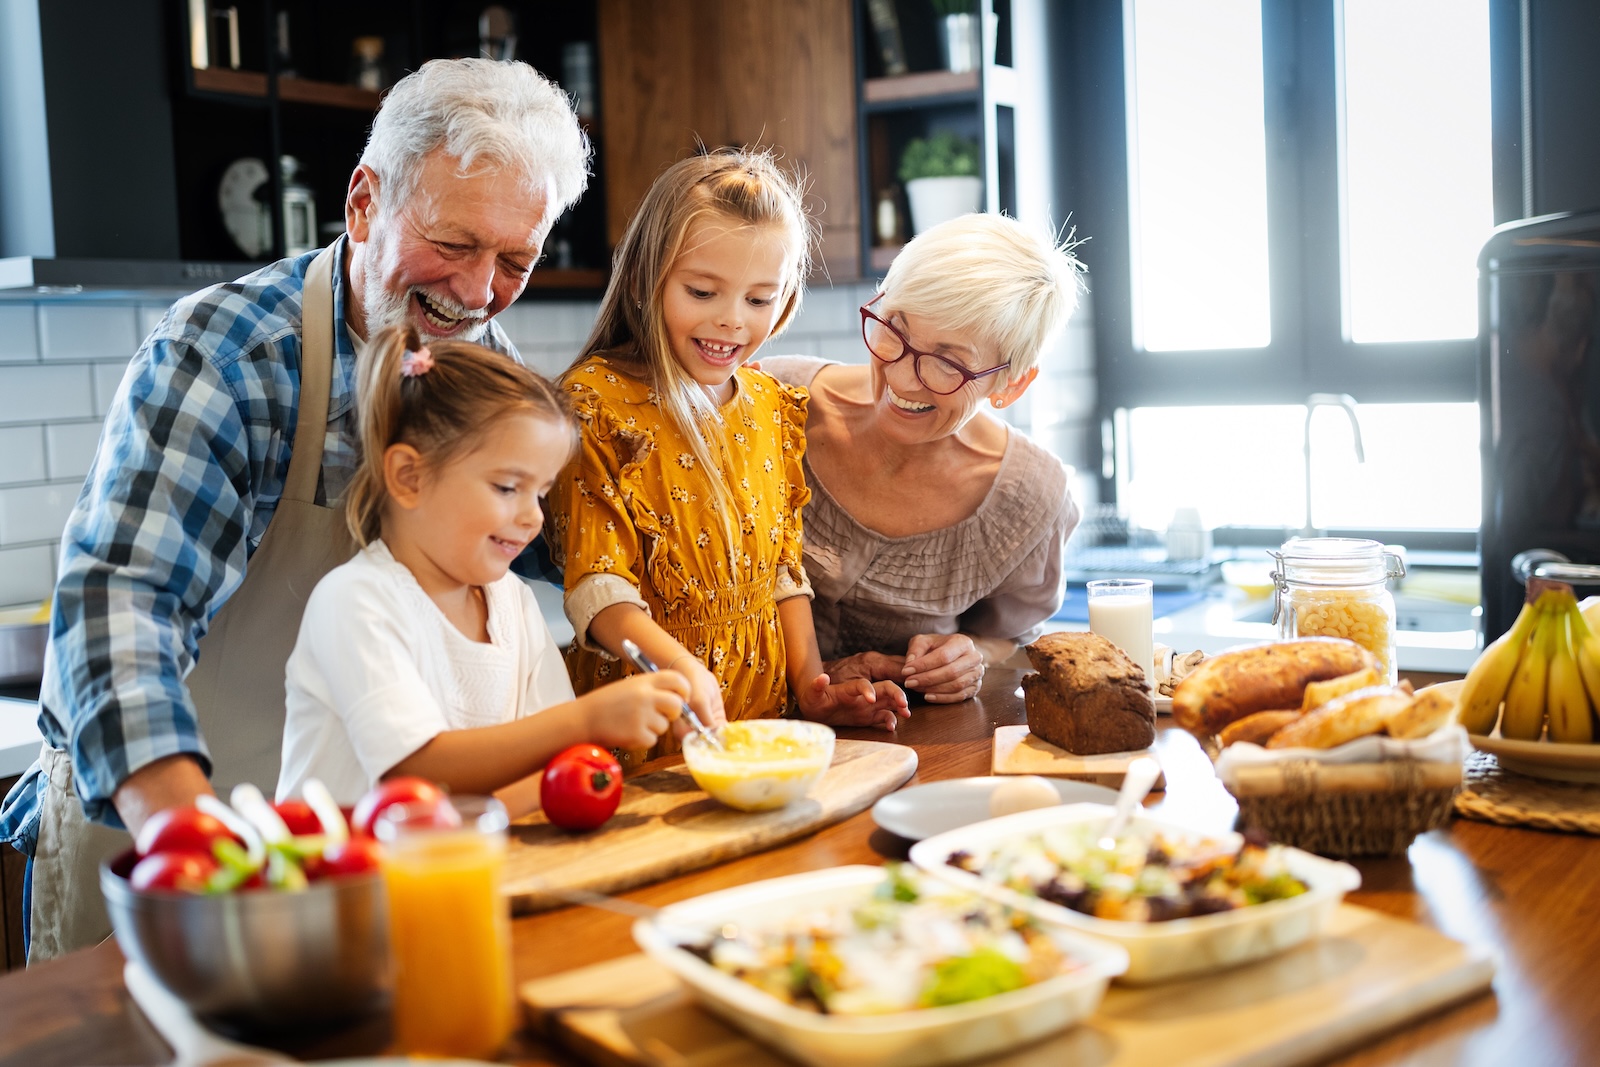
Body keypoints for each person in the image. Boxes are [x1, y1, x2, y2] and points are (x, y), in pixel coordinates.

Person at [0, 57, 590, 961]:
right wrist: (189, 848)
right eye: (456, 243)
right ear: (363, 203)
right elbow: (122, 604)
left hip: (352, 855)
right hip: (167, 829)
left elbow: (576, 548)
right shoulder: (230, 354)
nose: (477, 293)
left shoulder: (487, 373)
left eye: (515, 260)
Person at [544, 149, 908, 765]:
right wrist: (685, 673)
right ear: (643, 276)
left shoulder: (772, 405)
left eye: (760, 299)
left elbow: (780, 573)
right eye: (703, 291)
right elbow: (598, 589)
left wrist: (811, 689)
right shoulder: (595, 402)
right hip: (647, 732)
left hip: (763, 727)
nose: (732, 321)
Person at [277, 326, 690, 809]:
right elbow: (413, 775)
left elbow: (545, 768)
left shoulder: (510, 600)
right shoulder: (355, 601)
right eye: (507, 488)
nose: (534, 516)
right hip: (348, 880)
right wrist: (589, 719)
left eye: (540, 492)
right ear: (409, 477)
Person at [760, 213, 1084, 703]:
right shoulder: (768, 403)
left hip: (916, 757)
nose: (904, 379)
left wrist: (968, 655)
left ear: (1011, 384)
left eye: (948, 362)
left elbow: (1009, 637)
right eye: (895, 328)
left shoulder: (1031, 498)